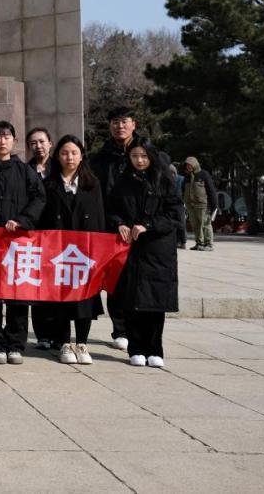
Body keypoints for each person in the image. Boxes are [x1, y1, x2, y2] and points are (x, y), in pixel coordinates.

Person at [0, 121, 45, 365]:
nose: (2, 141)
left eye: (6, 137)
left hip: (17, 242)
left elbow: (39, 198)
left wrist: (23, 220)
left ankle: (15, 343)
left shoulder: (25, 171)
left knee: (18, 294)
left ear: (14, 141)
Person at [107, 140, 182, 368]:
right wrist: (119, 223)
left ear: (151, 157)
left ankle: (155, 349)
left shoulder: (165, 181)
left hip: (157, 251)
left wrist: (149, 225)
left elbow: (174, 215)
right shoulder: (123, 182)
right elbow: (111, 209)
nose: (139, 161)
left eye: (143, 156)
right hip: (131, 250)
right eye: (134, 156)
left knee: (155, 302)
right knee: (132, 301)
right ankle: (136, 348)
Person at [39, 135, 105, 365]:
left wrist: (99, 249)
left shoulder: (92, 184)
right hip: (58, 251)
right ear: (57, 156)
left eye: (74, 153)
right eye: (65, 153)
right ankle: (65, 343)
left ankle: (82, 343)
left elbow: (99, 217)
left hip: (85, 252)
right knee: (61, 298)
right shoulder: (49, 184)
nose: (70, 157)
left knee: (84, 298)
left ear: (82, 156)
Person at [90, 106, 142, 352]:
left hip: (142, 227)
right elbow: (98, 195)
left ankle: (138, 329)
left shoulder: (146, 154)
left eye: (124, 121)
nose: (120, 126)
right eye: (115, 122)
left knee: (139, 281)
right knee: (117, 281)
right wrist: (116, 221)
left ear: (133, 124)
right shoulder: (100, 158)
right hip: (113, 227)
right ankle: (120, 330)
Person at [27, 128, 59, 349]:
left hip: (57, 233)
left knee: (55, 284)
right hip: (34, 234)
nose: (38, 146)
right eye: (33, 143)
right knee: (37, 284)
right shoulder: (26, 169)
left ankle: (57, 332)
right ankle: (42, 335)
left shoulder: (60, 167)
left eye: (41, 141)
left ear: (50, 143)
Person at [183, 156, 217, 252]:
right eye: (187, 165)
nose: (188, 167)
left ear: (195, 164)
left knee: (205, 224)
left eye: (190, 165)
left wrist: (214, 205)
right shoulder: (187, 176)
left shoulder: (204, 174)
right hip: (190, 205)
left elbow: (211, 190)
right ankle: (199, 243)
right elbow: (183, 190)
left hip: (202, 205)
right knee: (195, 225)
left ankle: (209, 244)